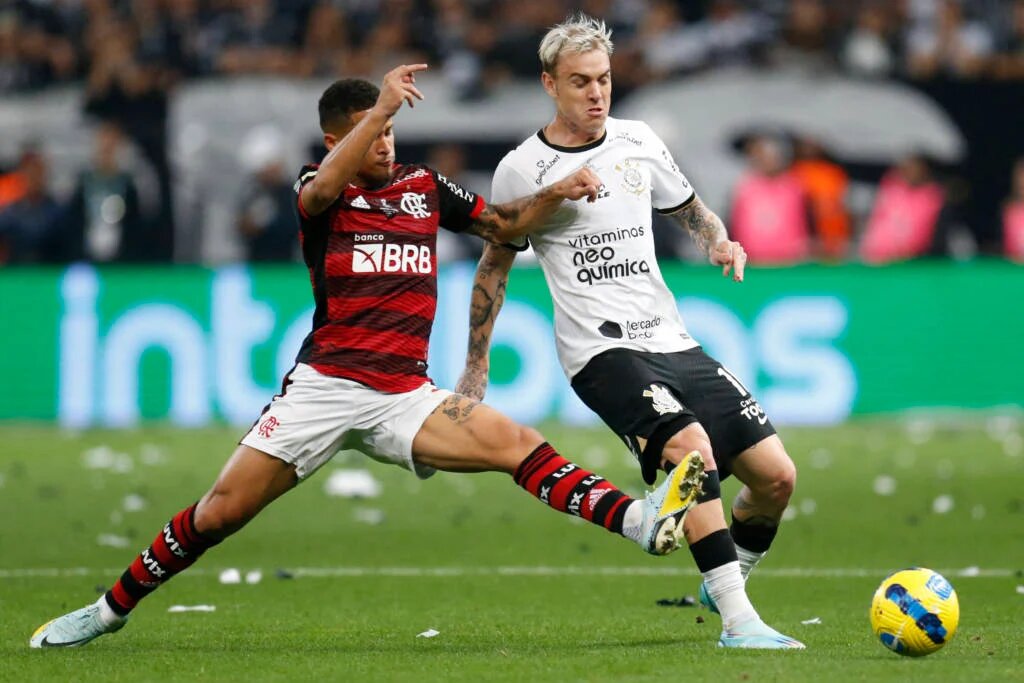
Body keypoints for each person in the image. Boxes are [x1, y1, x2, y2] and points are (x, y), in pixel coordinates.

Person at [29, 64, 706, 649]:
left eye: (389, 130)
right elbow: (321, 189)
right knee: (217, 514)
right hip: (323, 387)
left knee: (516, 441)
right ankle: (109, 608)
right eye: (372, 130)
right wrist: (380, 103)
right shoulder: (318, 191)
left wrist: (552, 194)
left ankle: (638, 519)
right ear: (336, 140)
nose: (384, 142)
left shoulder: (422, 187)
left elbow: (503, 226)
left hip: (403, 392)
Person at [458, 15, 803, 649]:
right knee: (692, 452)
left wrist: (719, 240)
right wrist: (476, 365)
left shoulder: (638, 140)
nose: (596, 94)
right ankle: (738, 620)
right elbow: (494, 263)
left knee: (777, 477)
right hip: (601, 351)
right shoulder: (522, 169)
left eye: (605, 80)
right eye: (580, 82)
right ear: (549, 84)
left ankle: (726, 575)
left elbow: (689, 207)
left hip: (671, 338)